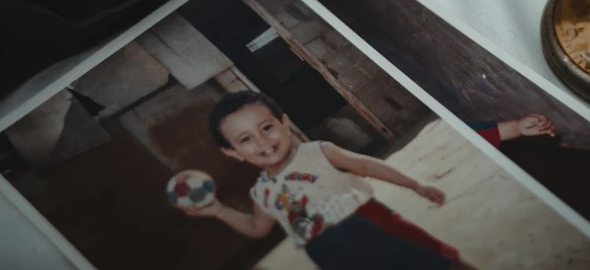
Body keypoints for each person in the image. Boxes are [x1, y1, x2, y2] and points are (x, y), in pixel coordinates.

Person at [181, 91, 478, 270]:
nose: (262, 142)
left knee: (438, 263)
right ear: (233, 152)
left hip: (370, 225)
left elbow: (366, 165)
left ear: (284, 123)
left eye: (267, 127)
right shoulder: (262, 192)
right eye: (246, 139)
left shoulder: (318, 151)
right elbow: (258, 228)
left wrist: (415, 185)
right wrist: (219, 211)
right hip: (330, 255)